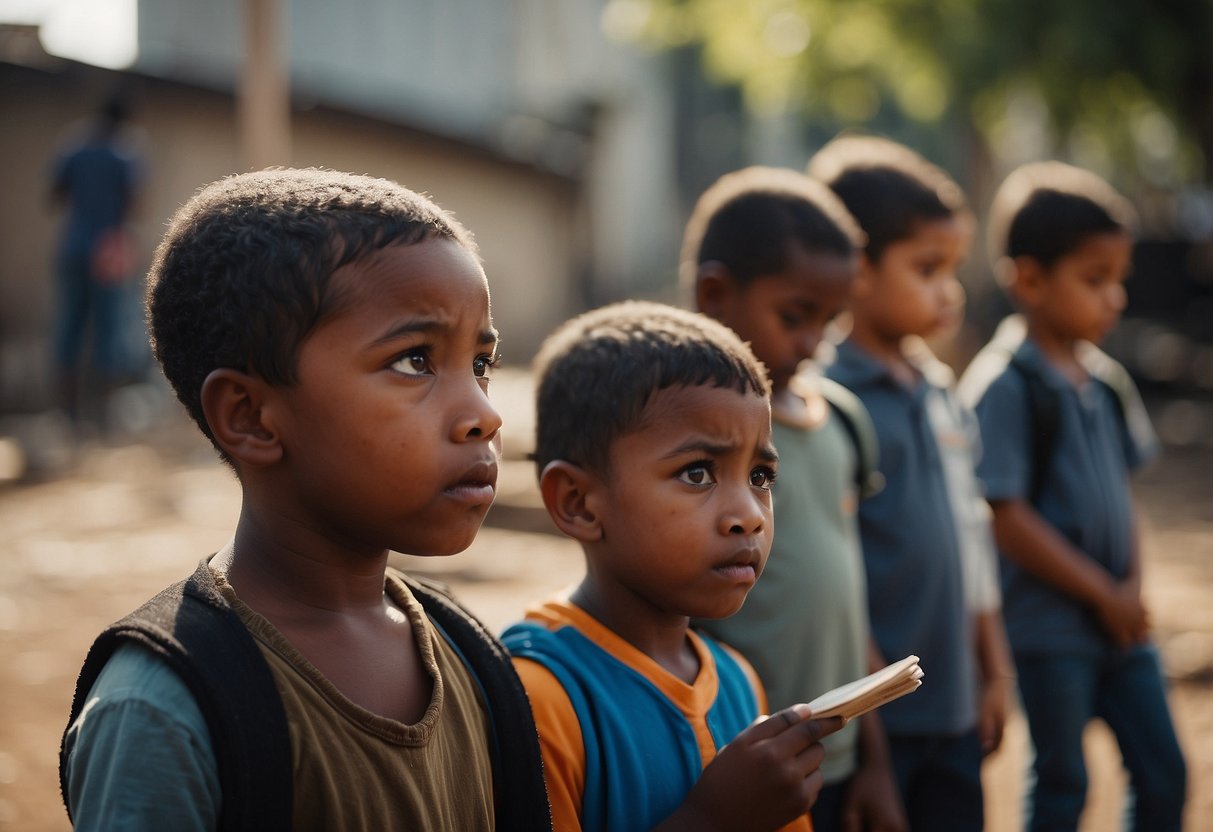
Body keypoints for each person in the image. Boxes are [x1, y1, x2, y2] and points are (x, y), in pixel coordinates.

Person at [59, 168, 551, 831]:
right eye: (414, 361)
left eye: (481, 365)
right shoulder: (164, 711)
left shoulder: (468, 655)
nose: (483, 415)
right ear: (252, 417)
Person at [502, 300, 844, 832]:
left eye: (760, 477)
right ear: (578, 502)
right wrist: (711, 820)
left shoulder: (736, 682)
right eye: (697, 473)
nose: (748, 516)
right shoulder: (538, 697)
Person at [957, 161, 1187, 831]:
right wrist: (1100, 593)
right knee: (1061, 782)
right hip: (1050, 631)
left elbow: (1121, 492)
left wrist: (1130, 589)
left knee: (1163, 772)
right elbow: (1006, 518)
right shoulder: (1003, 385)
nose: (1113, 299)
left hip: (1121, 626)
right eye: (1093, 280)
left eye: (1117, 280)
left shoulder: (1106, 379)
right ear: (1027, 280)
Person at [682, 166, 906, 832]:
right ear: (715, 294)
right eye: (794, 315)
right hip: (741, 769)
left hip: (835, 759)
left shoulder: (839, 421)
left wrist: (875, 762)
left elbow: (847, 601)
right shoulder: (685, 433)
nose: (813, 343)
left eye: (829, 321)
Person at [808, 134, 1015, 831]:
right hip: (872, 714)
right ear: (855, 270)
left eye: (952, 267)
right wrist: (866, 735)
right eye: (926, 267)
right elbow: (836, 579)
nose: (947, 291)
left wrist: (993, 672)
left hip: (953, 705)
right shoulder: (827, 401)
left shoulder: (939, 389)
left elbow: (973, 538)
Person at [49, 88, 144, 430]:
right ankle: (104, 419)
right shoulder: (124, 152)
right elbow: (136, 200)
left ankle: (67, 416)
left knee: (69, 328)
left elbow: (54, 193)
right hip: (108, 250)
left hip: (73, 246)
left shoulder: (74, 146)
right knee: (109, 330)